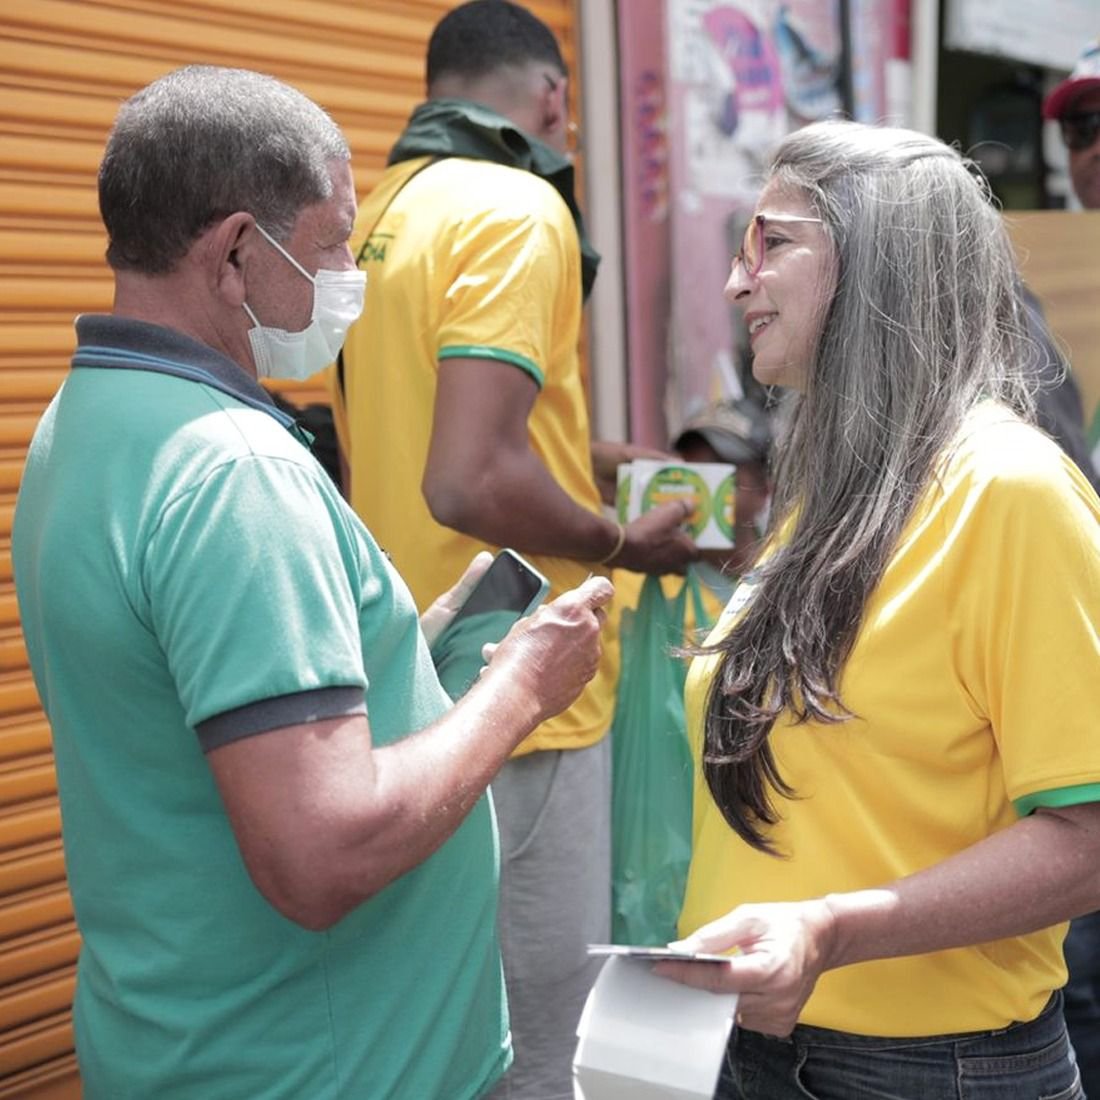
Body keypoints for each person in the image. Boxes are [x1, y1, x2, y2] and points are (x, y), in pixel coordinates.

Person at [11, 65, 613, 1100]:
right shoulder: (233, 471)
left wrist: (388, 661)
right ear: (237, 251)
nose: (348, 273)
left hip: (186, 1041)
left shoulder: (86, 422)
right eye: (333, 241)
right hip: (319, 1064)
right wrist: (517, 686)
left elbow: (197, 709)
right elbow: (319, 855)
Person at [653, 120, 1100, 1100]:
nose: (737, 284)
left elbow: (1086, 835)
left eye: (769, 243)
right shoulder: (835, 488)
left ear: (875, 262)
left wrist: (830, 928)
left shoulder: (1010, 491)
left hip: (929, 1068)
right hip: (738, 1041)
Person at [331, 4, 698, 1096]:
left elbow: (432, 427)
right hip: (523, 690)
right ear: (552, 98)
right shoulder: (518, 206)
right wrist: (620, 539)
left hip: (403, 675)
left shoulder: (377, 212)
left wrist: (582, 454)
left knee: (439, 1023)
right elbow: (470, 477)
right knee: (544, 1046)